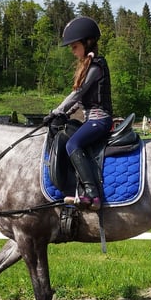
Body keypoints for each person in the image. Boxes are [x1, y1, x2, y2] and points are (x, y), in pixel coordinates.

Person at [44, 16, 112, 211]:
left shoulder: (97, 66)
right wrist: (65, 114)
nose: (73, 52)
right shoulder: (88, 65)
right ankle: (72, 188)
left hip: (100, 120)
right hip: (90, 118)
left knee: (74, 143)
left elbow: (77, 93)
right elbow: (81, 101)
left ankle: (92, 194)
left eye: (74, 47)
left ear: (87, 42)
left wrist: (57, 110)